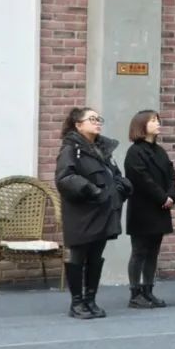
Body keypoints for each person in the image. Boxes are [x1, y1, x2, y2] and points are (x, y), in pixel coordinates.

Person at [55, 107, 132, 319]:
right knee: (78, 256)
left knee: (96, 256)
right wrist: (93, 191)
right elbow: (64, 178)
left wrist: (120, 189)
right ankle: (77, 303)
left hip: (103, 210)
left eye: (99, 119)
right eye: (92, 119)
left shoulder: (102, 149)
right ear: (78, 125)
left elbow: (115, 175)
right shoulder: (70, 149)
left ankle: (91, 300)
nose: (97, 122)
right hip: (81, 212)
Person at [124, 109, 175, 308]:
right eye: (153, 120)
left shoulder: (160, 151)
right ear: (141, 125)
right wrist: (163, 197)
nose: (158, 123)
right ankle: (135, 294)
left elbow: (171, 175)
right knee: (139, 251)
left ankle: (148, 290)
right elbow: (142, 179)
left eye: (158, 120)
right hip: (142, 208)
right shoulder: (135, 152)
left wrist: (171, 195)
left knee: (153, 251)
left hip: (161, 208)